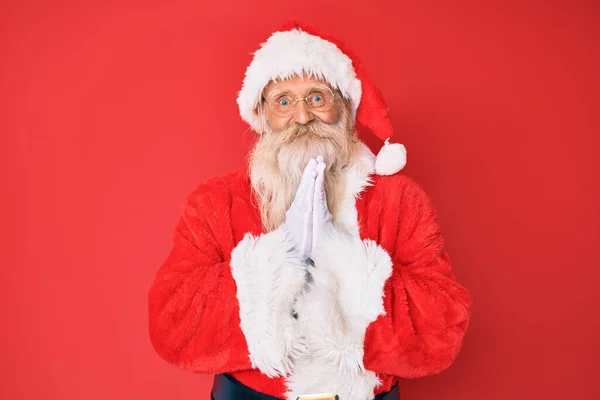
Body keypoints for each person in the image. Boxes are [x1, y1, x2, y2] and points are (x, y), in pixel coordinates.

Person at [148, 21, 472, 400]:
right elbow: (172, 326)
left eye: (317, 97)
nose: (302, 117)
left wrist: (343, 261)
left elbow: (443, 329)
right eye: (283, 101)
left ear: (344, 109)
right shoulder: (215, 202)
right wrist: (279, 258)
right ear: (263, 116)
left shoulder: (400, 201)